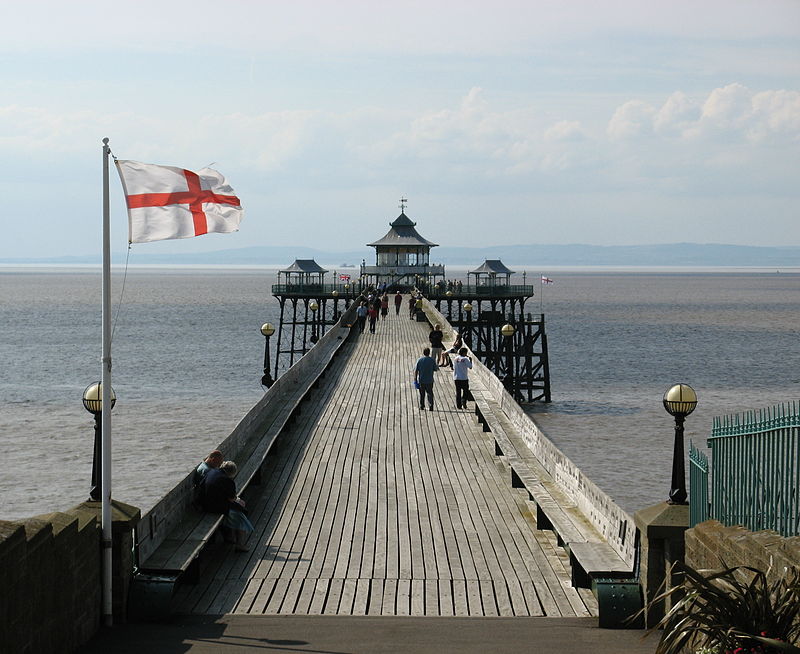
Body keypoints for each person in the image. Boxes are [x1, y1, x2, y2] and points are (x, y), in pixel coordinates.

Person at [201, 460, 254, 552]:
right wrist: (239, 501)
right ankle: (240, 544)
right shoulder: (227, 481)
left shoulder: (212, 472)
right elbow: (231, 498)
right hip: (215, 507)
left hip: (204, 504)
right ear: (231, 473)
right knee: (240, 515)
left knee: (235, 509)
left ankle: (229, 537)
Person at [414, 347, 437, 411]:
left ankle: (422, 406)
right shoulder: (432, 360)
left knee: (422, 394)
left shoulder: (420, 360)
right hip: (429, 380)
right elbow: (435, 369)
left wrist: (415, 379)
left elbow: (416, 370)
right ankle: (431, 406)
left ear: (423, 353)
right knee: (430, 393)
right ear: (429, 353)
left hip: (422, 380)